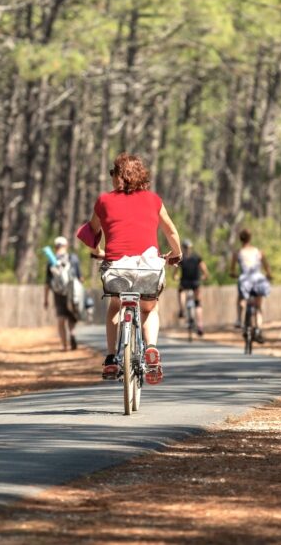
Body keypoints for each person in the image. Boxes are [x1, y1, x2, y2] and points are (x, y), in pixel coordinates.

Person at [83, 153, 183, 385]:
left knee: (115, 307)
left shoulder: (103, 201)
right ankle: (151, 349)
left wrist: (98, 250)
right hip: (148, 268)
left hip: (117, 269)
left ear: (119, 176)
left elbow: (92, 232)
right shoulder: (153, 200)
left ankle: (110, 358)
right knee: (149, 308)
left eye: (113, 173)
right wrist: (176, 254)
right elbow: (171, 232)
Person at [230, 228, 272, 343]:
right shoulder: (258, 252)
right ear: (250, 238)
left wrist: (233, 274)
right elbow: (267, 267)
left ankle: (239, 319)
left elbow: (232, 270)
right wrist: (269, 275)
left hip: (245, 280)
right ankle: (258, 329)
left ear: (240, 239)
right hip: (258, 280)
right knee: (258, 307)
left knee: (241, 298)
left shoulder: (237, 252)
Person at [43, 236, 82, 351]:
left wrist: (45, 299)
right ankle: (73, 333)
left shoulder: (52, 260)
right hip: (72, 292)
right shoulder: (73, 258)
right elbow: (80, 278)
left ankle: (65, 346)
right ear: (66, 245)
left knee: (61, 319)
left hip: (58, 293)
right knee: (72, 317)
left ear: (55, 247)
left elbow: (47, 283)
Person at [176, 240, 210, 336]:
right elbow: (204, 270)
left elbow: (175, 272)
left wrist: (175, 277)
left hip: (184, 283)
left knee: (180, 291)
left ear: (183, 247)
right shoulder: (197, 257)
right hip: (196, 283)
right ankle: (200, 326)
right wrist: (205, 276)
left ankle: (182, 310)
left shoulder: (181, 258)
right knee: (198, 304)